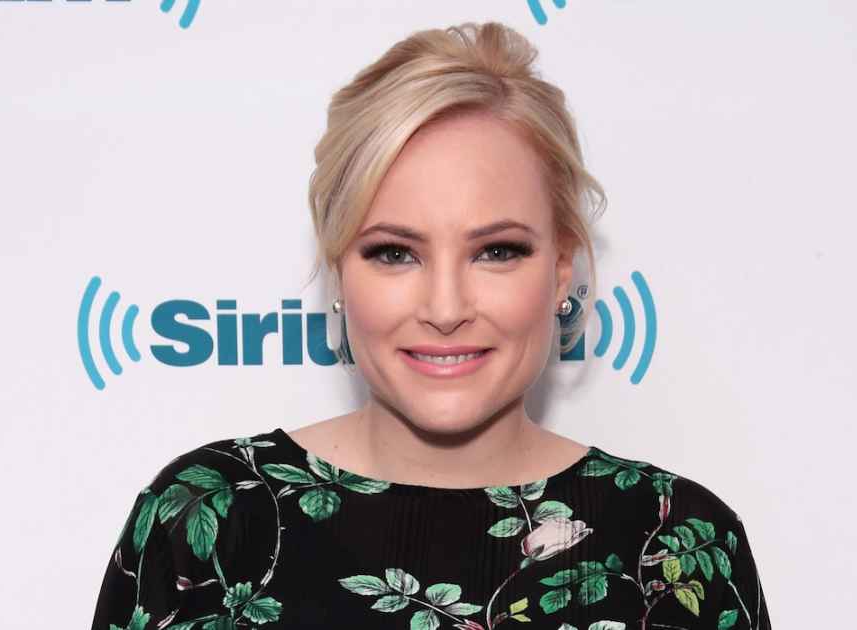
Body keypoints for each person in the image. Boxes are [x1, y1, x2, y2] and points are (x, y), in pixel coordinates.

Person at [91, 21, 771, 630]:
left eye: (497, 251)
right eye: (394, 253)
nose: (446, 309)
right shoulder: (209, 518)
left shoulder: (677, 543)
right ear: (339, 270)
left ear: (562, 269)